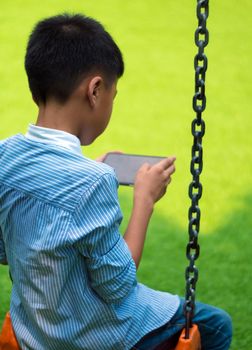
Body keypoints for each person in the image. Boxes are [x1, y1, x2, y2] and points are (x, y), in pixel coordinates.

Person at [0, 13, 232, 350]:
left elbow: (7, 249)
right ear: (95, 90)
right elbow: (120, 284)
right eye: (113, 93)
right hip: (93, 336)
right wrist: (144, 200)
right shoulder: (93, 183)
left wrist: (83, 175)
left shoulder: (5, 154)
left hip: (34, 330)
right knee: (215, 325)